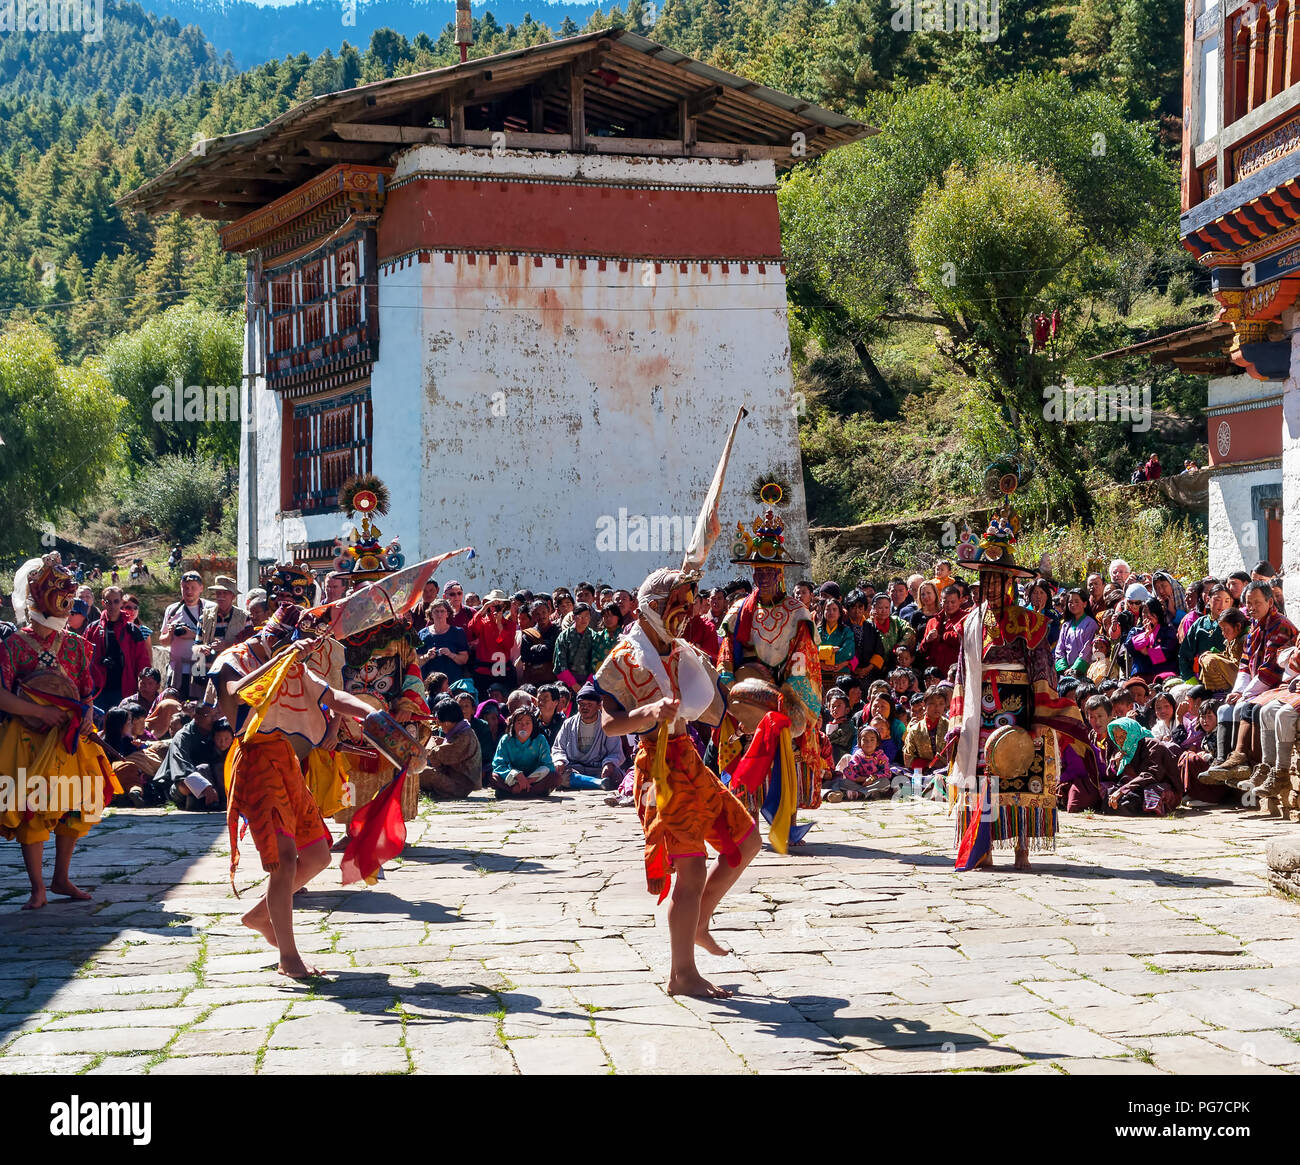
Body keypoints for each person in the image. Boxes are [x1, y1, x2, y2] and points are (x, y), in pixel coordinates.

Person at [595, 565, 759, 998]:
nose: (684, 614)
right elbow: (609, 724)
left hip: (689, 759)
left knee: (746, 842)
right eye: (676, 606)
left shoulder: (678, 650)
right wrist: (647, 714)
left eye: (687, 606)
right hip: (659, 769)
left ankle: (699, 923)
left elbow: (711, 707)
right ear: (652, 608)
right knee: (690, 868)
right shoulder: (623, 658)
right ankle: (681, 974)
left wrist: (746, 721)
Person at [212, 600, 380, 978]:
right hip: (254, 762)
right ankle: (288, 957)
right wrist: (282, 656)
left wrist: (371, 713)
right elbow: (238, 692)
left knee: (318, 855)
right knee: (285, 861)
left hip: (286, 760)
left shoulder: (293, 662)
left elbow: (332, 697)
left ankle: (261, 915)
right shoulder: (236, 657)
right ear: (271, 636)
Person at [947, 484, 1095, 872]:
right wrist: (960, 718)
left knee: (1022, 774)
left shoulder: (1031, 623)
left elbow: (1043, 672)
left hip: (1020, 710)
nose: (991, 587)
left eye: (998, 580)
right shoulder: (971, 624)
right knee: (983, 780)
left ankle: (1022, 849)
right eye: (986, 580)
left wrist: (1036, 719)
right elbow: (963, 675)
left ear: (1010, 583)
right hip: (980, 711)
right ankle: (984, 848)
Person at [0, 553, 118, 909]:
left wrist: (85, 718)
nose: (66, 612)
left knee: (76, 806)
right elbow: (2, 695)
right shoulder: (14, 645)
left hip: (70, 740)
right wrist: (39, 712)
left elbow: (85, 691)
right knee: (33, 809)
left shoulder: (77, 646)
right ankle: (37, 888)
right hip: (27, 739)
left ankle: (61, 878)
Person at [717, 506, 826, 850]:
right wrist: (727, 682)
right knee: (740, 754)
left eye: (768, 570)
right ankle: (745, 824)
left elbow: (804, 661)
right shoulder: (738, 612)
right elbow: (725, 656)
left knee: (786, 753)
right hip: (744, 694)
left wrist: (783, 696)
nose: (762, 576)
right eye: (758, 570)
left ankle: (787, 822)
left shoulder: (798, 614)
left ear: (780, 572)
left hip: (783, 695)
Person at [1205, 580, 1298, 785]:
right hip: (1258, 685)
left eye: (1257, 602)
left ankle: (1248, 762)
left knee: (1249, 708)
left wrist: (1246, 694)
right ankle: (1225, 761)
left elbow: (1271, 670)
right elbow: (1245, 664)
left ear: (1270, 602)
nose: (1252, 607)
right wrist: (1239, 690)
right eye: (1248, 603)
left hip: (1275, 685)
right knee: (1226, 709)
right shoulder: (1254, 627)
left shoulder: (1280, 626)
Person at [85, 585, 152, 711]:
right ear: (103, 603)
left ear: (121, 602)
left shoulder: (132, 631)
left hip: (124, 688)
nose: (112, 605)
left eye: (116, 601)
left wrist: (145, 686)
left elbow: (142, 661)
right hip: (98, 689)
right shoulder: (92, 629)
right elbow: (83, 659)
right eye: (108, 602)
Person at [551, 683, 625, 790]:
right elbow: (558, 748)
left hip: (599, 768)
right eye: (581, 704)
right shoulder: (568, 724)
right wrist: (560, 761)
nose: (585, 708)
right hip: (574, 769)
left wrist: (609, 764)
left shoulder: (607, 724)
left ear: (599, 706)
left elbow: (615, 752)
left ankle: (585, 782)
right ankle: (598, 783)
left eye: (589, 704)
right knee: (558, 775)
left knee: (616, 774)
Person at [1106, 717, 1181, 816]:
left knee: (1151, 793)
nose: (1120, 741)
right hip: (1135, 787)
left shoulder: (1152, 745)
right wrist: (1116, 764)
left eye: (1123, 736)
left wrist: (1122, 791)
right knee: (1108, 790)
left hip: (1161, 785)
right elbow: (1111, 777)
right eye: (1116, 737)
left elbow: (1151, 775)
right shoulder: (1122, 750)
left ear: (1132, 732)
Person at [157, 571, 213, 700]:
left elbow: (216, 639)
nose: (189, 591)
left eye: (193, 587)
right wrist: (171, 633)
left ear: (201, 588)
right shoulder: (173, 609)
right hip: (177, 668)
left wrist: (193, 635)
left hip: (200, 666)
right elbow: (164, 642)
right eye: (185, 587)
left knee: (197, 704)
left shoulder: (210, 608)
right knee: (175, 705)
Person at [489, 706, 559, 798]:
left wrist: (527, 781)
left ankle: (517, 791)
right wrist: (517, 775)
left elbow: (548, 766)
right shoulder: (506, 740)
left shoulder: (540, 739)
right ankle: (529, 792)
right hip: (512, 779)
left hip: (534, 780)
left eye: (527, 723)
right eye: (519, 723)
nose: (523, 726)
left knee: (555, 777)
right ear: (513, 725)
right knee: (494, 777)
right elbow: (498, 765)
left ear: (533, 725)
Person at [422, 697, 483, 799]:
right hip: (453, 779)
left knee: (422, 773)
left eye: (440, 723)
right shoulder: (461, 731)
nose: (439, 726)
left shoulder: (465, 736)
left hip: (460, 786)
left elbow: (438, 755)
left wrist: (430, 746)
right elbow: (448, 746)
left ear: (446, 722)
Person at [824, 725, 891, 802]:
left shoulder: (881, 756)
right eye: (864, 740)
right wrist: (862, 779)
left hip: (873, 782)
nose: (868, 743)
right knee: (842, 782)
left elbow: (887, 772)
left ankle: (858, 794)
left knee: (885, 782)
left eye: (872, 740)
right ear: (859, 742)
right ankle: (867, 793)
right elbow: (849, 771)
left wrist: (873, 778)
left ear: (877, 743)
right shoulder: (857, 755)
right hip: (858, 784)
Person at [417, 599, 470, 685]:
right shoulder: (422, 633)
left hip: (453, 683)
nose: (439, 614)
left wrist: (451, 654)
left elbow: (464, 659)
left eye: (442, 611)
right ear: (431, 614)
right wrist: (427, 656)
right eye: (436, 611)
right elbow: (416, 661)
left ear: (447, 614)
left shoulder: (458, 632)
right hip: (429, 685)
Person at [1054, 588, 1099, 680]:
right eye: (1070, 602)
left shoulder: (1091, 624)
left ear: (1085, 603)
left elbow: (1088, 648)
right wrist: (1063, 667)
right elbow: (1060, 648)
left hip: (1084, 672)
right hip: (1065, 673)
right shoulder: (1066, 625)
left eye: (1077, 601)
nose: (1073, 604)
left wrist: (1075, 669)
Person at [553, 602, 597, 688]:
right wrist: (572, 683)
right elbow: (560, 662)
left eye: (587, 616)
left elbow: (597, 661)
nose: (584, 619)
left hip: (589, 683)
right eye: (580, 616)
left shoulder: (594, 636)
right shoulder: (564, 636)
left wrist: (589, 683)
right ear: (573, 617)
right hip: (567, 682)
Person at [816, 598, 855, 689]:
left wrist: (843, 663)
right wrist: (822, 663)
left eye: (834, 609)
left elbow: (848, 652)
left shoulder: (846, 631)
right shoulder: (817, 631)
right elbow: (811, 650)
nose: (831, 612)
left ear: (840, 613)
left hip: (841, 672)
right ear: (823, 612)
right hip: (821, 672)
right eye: (827, 609)